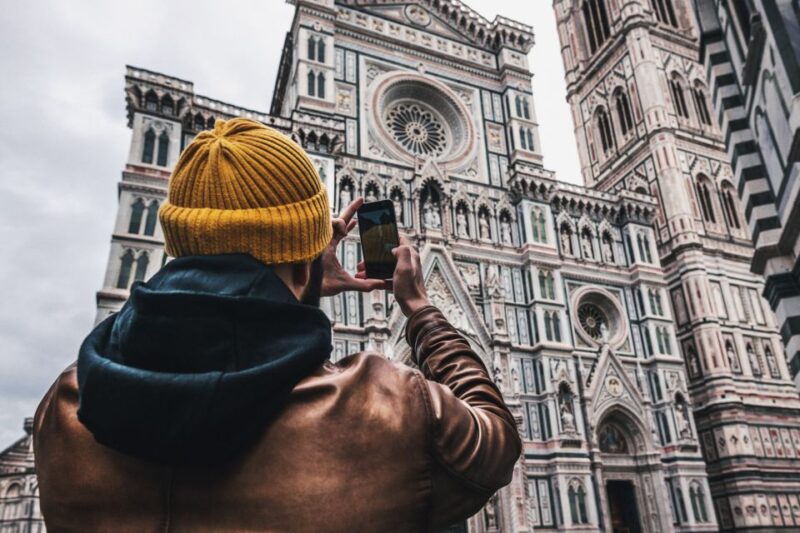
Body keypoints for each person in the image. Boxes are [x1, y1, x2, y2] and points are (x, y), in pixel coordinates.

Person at [33, 118, 521, 532]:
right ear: (306, 262)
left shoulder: (64, 408)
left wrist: (299, 273)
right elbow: (496, 440)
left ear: (181, 242)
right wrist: (419, 308)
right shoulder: (389, 410)